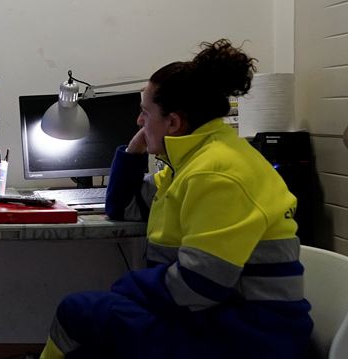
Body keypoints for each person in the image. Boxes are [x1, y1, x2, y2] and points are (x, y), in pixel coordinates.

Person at [40, 39, 312, 359]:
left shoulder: (214, 173)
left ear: (174, 122)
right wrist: (133, 150)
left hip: (250, 336)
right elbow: (123, 206)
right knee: (90, 334)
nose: (139, 121)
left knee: (78, 311)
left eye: (145, 112)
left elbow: (198, 286)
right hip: (220, 317)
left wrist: (128, 287)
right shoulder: (194, 161)